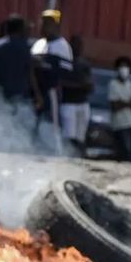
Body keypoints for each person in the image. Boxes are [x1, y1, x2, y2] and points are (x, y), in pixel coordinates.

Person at [31, 10, 73, 151]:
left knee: (52, 122)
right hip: (36, 90)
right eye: (42, 23)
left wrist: (44, 65)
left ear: (56, 26)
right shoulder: (38, 44)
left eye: (47, 23)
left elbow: (65, 71)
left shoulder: (62, 45)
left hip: (51, 90)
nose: (43, 27)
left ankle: (56, 151)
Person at [59, 36, 93, 156]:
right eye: (75, 45)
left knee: (80, 137)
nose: (78, 48)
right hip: (68, 105)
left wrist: (80, 85)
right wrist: (79, 85)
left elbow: (90, 85)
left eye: (79, 45)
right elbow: (61, 83)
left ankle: (80, 158)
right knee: (69, 136)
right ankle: (68, 157)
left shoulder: (84, 64)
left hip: (82, 104)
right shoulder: (64, 62)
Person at [107, 56, 131, 163]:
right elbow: (114, 105)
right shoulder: (113, 85)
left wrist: (123, 102)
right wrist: (128, 103)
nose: (124, 69)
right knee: (124, 151)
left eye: (126, 67)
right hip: (119, 124)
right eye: (122, 66)